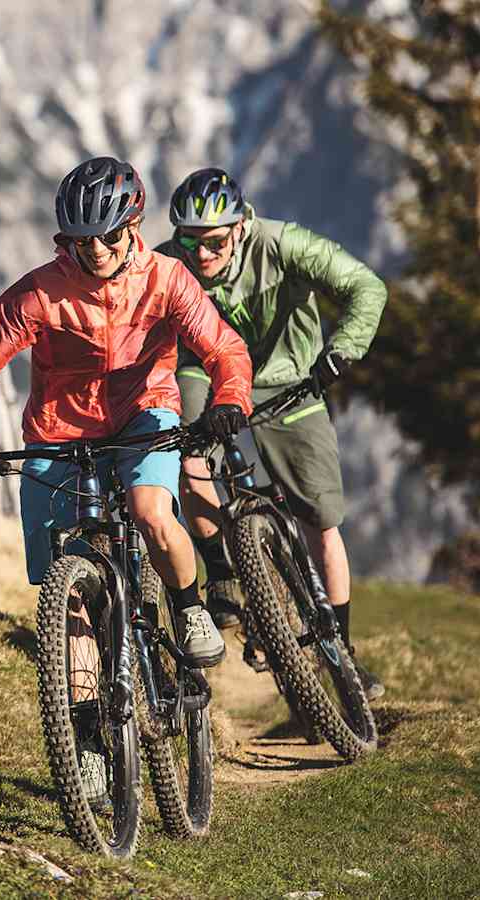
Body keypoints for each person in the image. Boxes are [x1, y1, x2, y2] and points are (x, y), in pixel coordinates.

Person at [0, 156, 253, 803]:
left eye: (107, 236)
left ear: (133, 226)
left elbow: (222, 349)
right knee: (64, 589)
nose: (95, 250)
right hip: (58, 431)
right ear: (64, 239)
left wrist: (229, 398)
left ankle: (186, 609)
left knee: (153, 509)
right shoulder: (40, 292)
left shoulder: (166, 278)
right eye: (80, 240)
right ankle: (87, 736)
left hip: (144, 415)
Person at [157, 167, 387, 700]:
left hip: (289, 381)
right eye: (189, 240)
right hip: (206, 373)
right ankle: (225, 583)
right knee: (188, 459)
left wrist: (341, 350)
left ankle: (342, 656)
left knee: (320, 520)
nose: (201, 253)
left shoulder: (284, 243)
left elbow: (365, 286)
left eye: (213, 241)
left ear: (241, 227)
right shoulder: (168, 262)